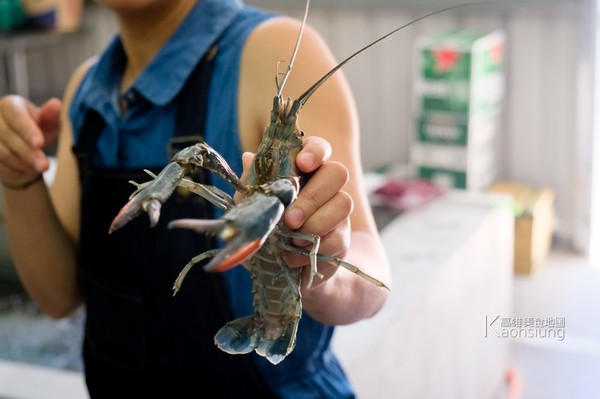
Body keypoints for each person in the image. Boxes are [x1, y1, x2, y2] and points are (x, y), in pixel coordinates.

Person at [0, 0, 391, 397]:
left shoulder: (279, 46)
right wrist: (18, 173)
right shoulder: (85, 89)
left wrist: (325, 275)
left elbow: (374, 280)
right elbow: (59, 299)